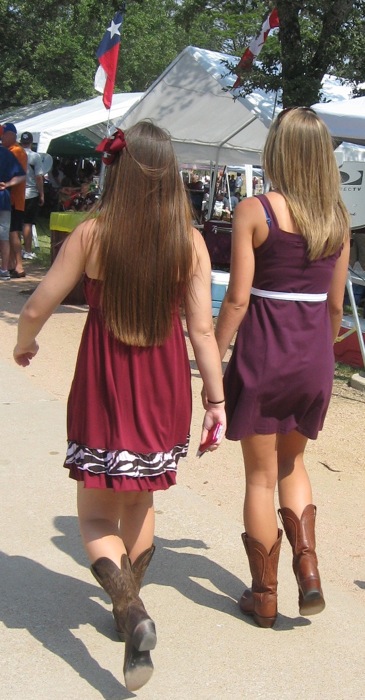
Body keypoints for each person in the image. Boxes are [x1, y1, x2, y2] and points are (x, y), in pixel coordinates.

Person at [13, 121, 226, 691]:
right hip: (161, 396)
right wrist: (215, 399)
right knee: (139, 504)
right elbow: (203, 333)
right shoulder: (191, 243)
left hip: (104, 393)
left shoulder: (92, 234)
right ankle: (127, 609)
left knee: (94, 515)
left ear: (116, 171)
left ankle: (131, 612)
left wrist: (23, 343)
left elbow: (35, 306)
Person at [214, 107, 350, 629]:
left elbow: (237, 300)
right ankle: (309, 572)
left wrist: (209, 359)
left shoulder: (256, 210)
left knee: (260, 477)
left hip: (264, 355)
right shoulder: (336, 219)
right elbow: (336, 307)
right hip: (313, 356)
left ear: (278, 152)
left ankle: (265, 594)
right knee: (295, 464)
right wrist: (320, 354)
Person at [1, 123, 27, 278]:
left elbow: (19, 174)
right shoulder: (10, 151)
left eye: (4, 134)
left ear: (11, 134)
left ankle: (18, 265)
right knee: (8, 233)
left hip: (14, 200)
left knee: (13, 233)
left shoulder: (16, 151)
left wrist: (8, 184)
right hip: (9, 199)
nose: (2, 137)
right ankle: (10, 264)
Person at [20, 131, 44, 259]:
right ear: (31, 142)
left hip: (17, 193)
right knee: (28, 223)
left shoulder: (15, 154)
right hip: (31, 193)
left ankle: (16, 249)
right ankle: (28, 251)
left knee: (15, 224)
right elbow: (39, 177)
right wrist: (41, 194)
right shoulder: (35, 156)